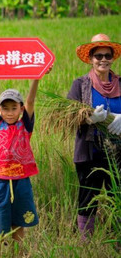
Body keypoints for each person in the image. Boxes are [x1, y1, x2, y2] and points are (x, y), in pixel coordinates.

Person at [0, 63, 50, 247]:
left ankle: (17, 253)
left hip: (21, 179)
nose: (10, 112)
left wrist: (37, 77)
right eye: (6, 108)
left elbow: (31, 101)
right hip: (0, 180)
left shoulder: (25, 125)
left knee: (19, 221)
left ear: (20, 109)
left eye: (14, 108)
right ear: (0, 110)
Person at [68, 33, 121, 240]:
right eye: (98, 56)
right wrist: (88, 118)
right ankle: (86, 240)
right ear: (90, 59)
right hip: (90, 150)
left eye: (107, 55)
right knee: (88, 195)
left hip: (117, 151)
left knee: (116, 194)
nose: (103, 60)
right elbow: (68, 115)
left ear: (113, 58)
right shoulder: (80, 84)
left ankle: (115, 237)